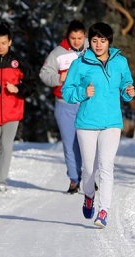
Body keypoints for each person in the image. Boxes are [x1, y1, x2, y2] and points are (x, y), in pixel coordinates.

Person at [61, 22, 135, 228]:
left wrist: (128, 91)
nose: (99, 44)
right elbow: (67, 92)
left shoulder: (120, 62)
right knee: (88, 169)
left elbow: (125, 85)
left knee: (106, 166)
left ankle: (103, 211)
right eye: (94, 40)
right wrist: (83, 93)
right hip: (86, 123)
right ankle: (89, 196)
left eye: (102, 40)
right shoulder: (80, 63)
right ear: (89, 41)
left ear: (109, 41)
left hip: (111, 122)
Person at [0, 22, 37, 192]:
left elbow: (32, 83)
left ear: (10, 42)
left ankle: (1, 180)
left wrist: (18, 89)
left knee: (7, 147)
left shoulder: (17, 62)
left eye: (4, 43)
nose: (0, 46)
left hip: (12, 112)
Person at [39, 20, 87, 194]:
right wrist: (58, 79)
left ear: (85, 36)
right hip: (64, 104)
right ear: (68, 36)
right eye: (73, 38)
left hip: (87, 104)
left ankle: (89, 178)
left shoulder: (91, 50)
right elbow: (44, 74)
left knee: (88, 143)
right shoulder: (58, 53)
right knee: (70, 144)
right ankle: (74, 180)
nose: (76, 41)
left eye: (80, 38)